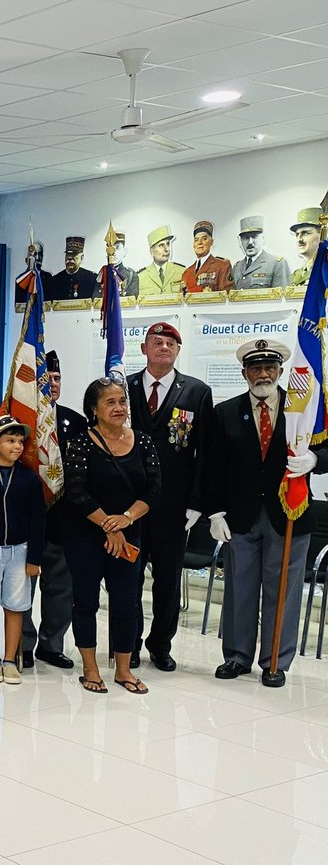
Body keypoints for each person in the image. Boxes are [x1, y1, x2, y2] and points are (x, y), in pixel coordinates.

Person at [206, 340, 328, 687]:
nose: (263, 374)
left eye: (270, 368)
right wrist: (214, 513)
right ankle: (237, 656)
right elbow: (212, 466)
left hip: (289, 513)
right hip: (240, 517)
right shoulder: (225, 412)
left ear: (280, 371)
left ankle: (276, 661)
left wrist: (315, 460)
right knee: (239, 588)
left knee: (283, 592)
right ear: (244, 373)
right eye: (255, 368)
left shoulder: (302, 410)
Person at [63, 378, 161, 695]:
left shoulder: (143, 441)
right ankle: (90, 669)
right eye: (110, 402)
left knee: (126, 604)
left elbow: (153, 490)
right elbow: (76, 493)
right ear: (93, 409)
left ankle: (123, 670)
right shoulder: (80, 442)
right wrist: (110, 525)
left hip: (129, 536)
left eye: (122, 401)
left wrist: (125, 519)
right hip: (85, 536)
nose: (119, 408)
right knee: (86, 602)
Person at [126, 322, 214, 671]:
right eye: (157, 341)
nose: (164, 347)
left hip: (174, 507)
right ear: (144, 348)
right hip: (130, 504)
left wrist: (196, 503)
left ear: (178, 351)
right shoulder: (124, 387)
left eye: (170, 343)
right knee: (129, 578)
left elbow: (205, 453)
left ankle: (160, 645)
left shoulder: (196, 392)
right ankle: (128, 644)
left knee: (167, 580)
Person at [20, 350, 82, 670]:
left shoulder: (76, 421)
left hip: (63, 519)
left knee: (60, 587)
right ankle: (22, 645)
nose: (53, 384)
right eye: (47, 379)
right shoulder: (20, 421)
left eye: (57, 378)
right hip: (27, 519)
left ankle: (51, 645)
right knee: (22, 588)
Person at [0, 415, 46, 684]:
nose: (17, 446)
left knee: (16, 606)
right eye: (10, 440)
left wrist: (34, 558)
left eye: (20, 441)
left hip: (20, 550)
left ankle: (9, 659)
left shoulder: (29, 479)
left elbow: (38, 521)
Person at [232, 216, 290, 290]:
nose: (250, 242)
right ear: (240, 241)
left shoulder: (277, 264)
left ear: (263, 238)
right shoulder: (237, 267)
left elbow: (282, 295)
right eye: (246, 238)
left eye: (254, 237)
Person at [181, 220, 235, 297]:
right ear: (193, 244)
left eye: (204, 238)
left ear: (211, 242)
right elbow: (182, 298)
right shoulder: (187, 272)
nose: (199, 243)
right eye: (196, 240)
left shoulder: (222, 266)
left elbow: (229, 295)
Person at [136, 225, 185, 304]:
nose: (167, 249)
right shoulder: (140, 277)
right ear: (151, 252)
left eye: (168, 244)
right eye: (161, 245)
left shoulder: (182, 272)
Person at [49, 236, 99, 304]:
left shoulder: (91, 278)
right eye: (67, 254)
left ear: (82, 257)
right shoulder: (55, 280)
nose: (69, 258)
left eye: (74, 254)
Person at [291, 207, 322, 286]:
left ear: (323, 235)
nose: (299, 239)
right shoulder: (294, 276)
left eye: (305, 233)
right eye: (297, 234)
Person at [111, 231, 139, 300]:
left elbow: (132, 301)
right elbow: (96, 300)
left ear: (124, 251)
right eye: (111, 248)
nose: (113, 252)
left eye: (117, 248)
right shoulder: (102, 276)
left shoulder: (131, 275)